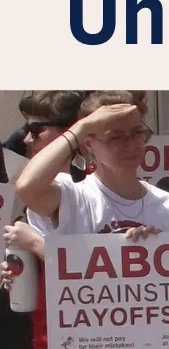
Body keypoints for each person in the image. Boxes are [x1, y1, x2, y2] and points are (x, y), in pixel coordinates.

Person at [9, 90, 169, 349]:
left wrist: (157, 256)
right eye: (116, 138)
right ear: (88, 144)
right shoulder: (72, 195)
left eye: (137, 134)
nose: (131, 146)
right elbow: (27, 187)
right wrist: (84, 125)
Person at [1, 90, 89, 349]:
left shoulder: (95, 188)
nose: (27, 139)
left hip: (85, 332)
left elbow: (99, 268)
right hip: (35, 331)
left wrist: (36, 244)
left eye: (37, 129)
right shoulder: (16, 185)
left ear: (71, 132)